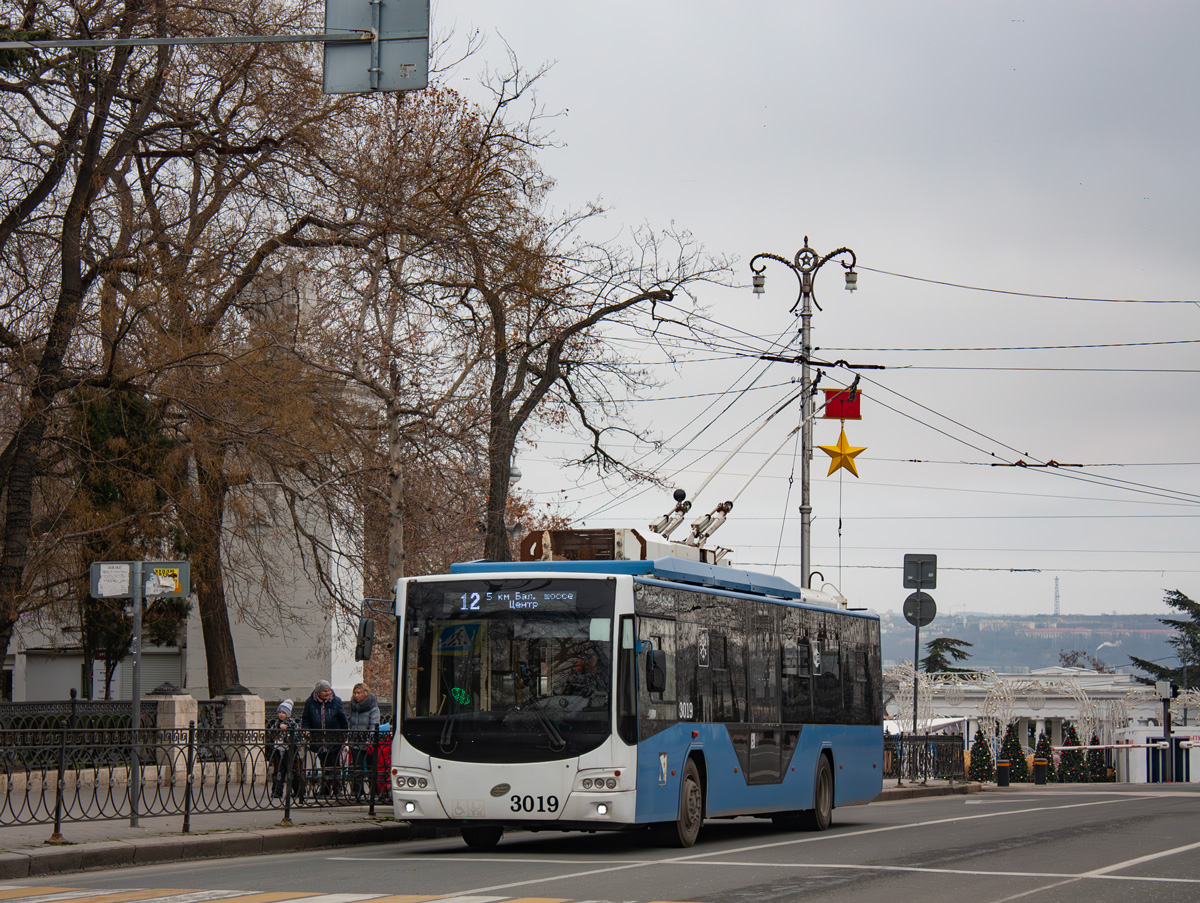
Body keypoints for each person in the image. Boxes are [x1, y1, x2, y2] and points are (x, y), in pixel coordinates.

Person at [301, 679, 348, 795]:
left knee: (335, 763)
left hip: (334, 738)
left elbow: (343, 719)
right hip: (319, 739)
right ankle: (326, 788)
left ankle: (337, 788)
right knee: (324, 762)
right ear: (318, 692)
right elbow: (306, 719)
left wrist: (345, 734)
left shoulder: (336, 701)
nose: (327, 693)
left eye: (328, 690)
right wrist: (306, 731)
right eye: (324, 691)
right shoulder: (310, 702)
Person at [347, 682, 381, 801]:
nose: (356, 695)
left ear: (365, 693)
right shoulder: (353, 706)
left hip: (367, 742)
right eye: (355, 693)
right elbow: (350, 722)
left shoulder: (372, 707)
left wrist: (370, 738)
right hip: (355, 740)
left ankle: (375, 792)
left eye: (359, 693)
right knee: (357, 767)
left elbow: (374, 724)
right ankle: (357, 791)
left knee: (371, 768)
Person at [267, 699, 302, 800]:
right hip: (278, 748)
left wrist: (287, 729)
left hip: (289, 750)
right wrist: (277, 728)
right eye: (280, 712)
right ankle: (277, 791)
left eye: (283, 712)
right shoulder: (276, 723)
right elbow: (271, 733)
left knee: (292, 771)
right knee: (278, 771)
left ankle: (298, 790)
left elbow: (295, 736)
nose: (281, 714)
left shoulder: (292, 723)